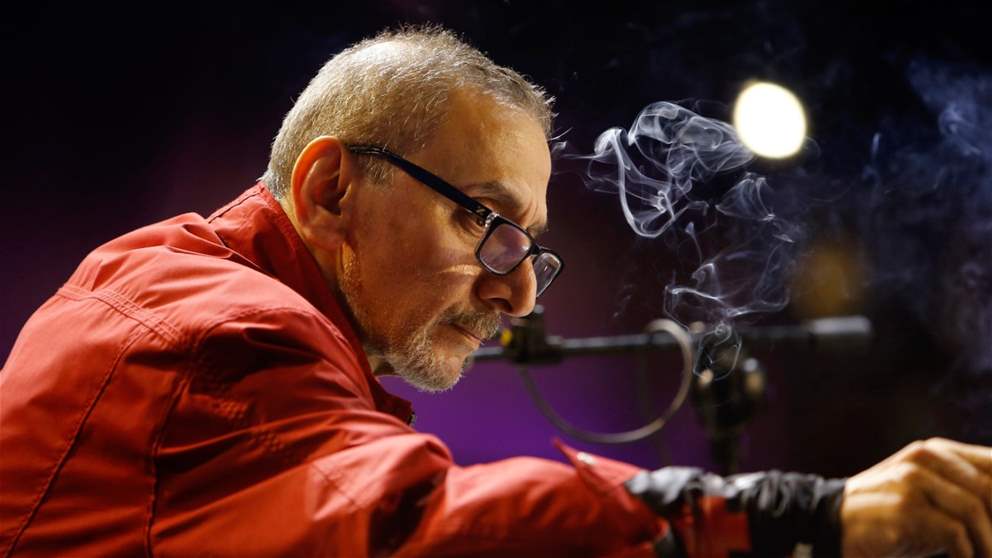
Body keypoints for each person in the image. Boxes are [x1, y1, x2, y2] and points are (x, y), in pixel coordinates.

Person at [1, 25, 989, 558]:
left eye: (533, 249)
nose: (520, 295)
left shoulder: (195, 299)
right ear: (331, 188)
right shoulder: (213, 333)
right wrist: (794, 515)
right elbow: (423, 527)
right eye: (485, 220)